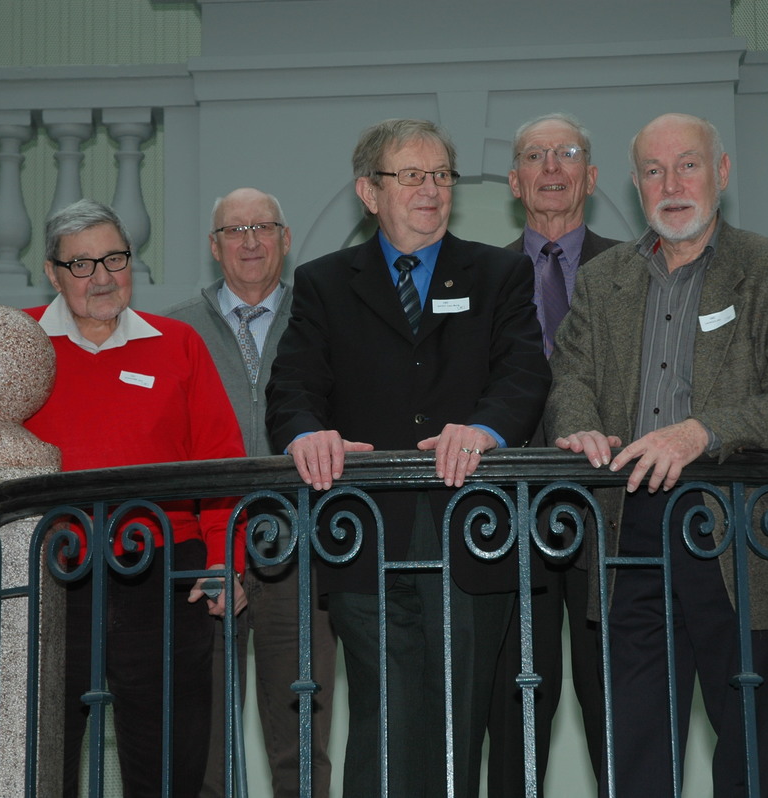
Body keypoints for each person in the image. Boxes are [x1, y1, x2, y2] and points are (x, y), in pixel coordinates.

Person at [0, 199, 247, 798]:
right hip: (50, 578)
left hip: (166, 579)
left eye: (115, 258)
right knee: (41, 760)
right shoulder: (16, 347)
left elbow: (221, 463)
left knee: (169, 765)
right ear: (53, 273)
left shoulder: (177, 343)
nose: (102, 277)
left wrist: (227, 560)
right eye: (81, 264)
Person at [545, 113, 768, 798]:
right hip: (627, 531)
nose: (671, 184)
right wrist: (579, 427)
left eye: (688, 165)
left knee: (748, 751)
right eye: (654, 171)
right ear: (636, 183)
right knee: (635, 749)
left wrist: (702, 433)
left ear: (721, 172)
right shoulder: (602, 279)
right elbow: (571, 378)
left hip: (738, 532)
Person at [265, 118, 551, 797]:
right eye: (412, 176)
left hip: (473, 526)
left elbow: (524, 373)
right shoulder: (324, 282)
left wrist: (484, 429)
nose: (431, 190)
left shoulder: (500, 272)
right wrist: (306, 434)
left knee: (458, 721)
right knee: (383, 718)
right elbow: (292, 388)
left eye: (441, 175)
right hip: (364, 530)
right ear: (370, 192)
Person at [165, 187, 338, 798]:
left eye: (262, 227)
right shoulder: (173, 331)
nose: (250, 242)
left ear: (285, 240)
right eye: (234, 231)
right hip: (205, 553)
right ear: (214, 248)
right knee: (205, 746)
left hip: (303, 551)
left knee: (302, 742)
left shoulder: (322, 319)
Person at [487, 112, 619, 796]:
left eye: (566, 153)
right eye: (534, 156)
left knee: (618, 701)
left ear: (590, 176)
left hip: (612, 504)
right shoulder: (482, 276)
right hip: (509, 514)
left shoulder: (636, 267)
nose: (551, 167)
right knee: (517, 704)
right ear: (515, 182)